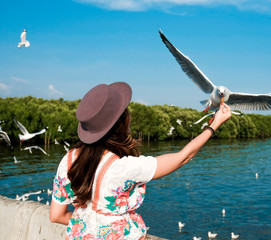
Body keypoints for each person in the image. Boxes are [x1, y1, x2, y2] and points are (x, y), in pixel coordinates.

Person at [50, 81, 232, 240]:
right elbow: (183, 157)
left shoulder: (68, 160)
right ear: (121, 123)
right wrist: (214, 125)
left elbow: (56, 216)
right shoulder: (124, 167)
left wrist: (87, 225)